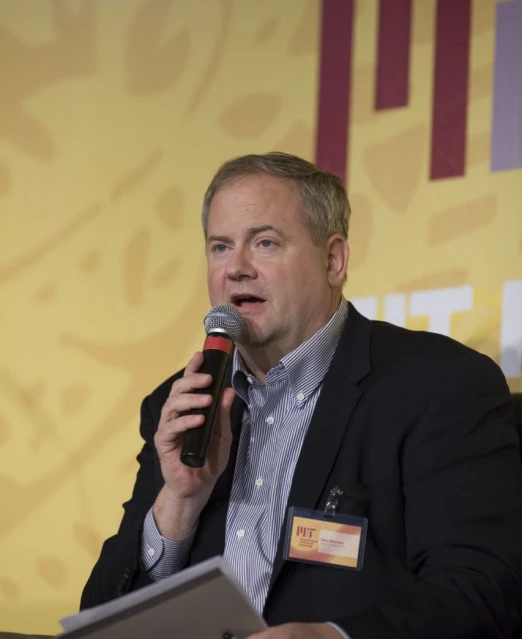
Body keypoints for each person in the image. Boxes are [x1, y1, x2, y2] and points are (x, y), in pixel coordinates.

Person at [81, 152, 522, 638]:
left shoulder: (438, 386)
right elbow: (100, 616)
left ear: (333, 260)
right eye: (220, 247)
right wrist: (178, 504)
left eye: (264, 242)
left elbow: (482, 589)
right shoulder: (183, 403)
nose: (236, 269)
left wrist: (332, 636)